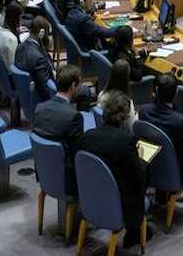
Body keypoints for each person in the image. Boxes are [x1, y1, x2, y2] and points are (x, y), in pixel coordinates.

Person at [74, 90, 148, 249]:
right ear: (125, 117)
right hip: (117, 204)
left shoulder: (87, 136)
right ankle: (134, 233)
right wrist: (143, 161)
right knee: (143, 173)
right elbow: (138, 177)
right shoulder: (126, 141)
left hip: (89, 200)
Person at [138, 74, 183, 192]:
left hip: (150, 163)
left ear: (156, 91)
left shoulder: (144, 110)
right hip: (174, 167)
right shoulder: (180, 120)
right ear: (176, 93)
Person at [32, 65, 86, 192]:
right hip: (66, 179)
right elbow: (77, 154)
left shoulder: (39, 108)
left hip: (43, 172)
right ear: (73, 86)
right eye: (79, 85)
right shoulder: (74, 116)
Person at [65, 0, 134, 54]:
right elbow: (105, 33)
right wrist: (122, 26)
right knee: (125, 34)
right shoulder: (84, 20)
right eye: (90, 0)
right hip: (90, 51)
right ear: (82, 2)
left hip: (82, 44)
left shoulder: (72, 12)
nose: (93, 2)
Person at [15, 15, 58, 102]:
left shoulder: (20, 46)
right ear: (41, 33)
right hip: (42, 100)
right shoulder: (39, 59)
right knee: (83, 91)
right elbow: (46, 91)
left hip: (26, 95)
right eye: (48, 34)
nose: (49, 38)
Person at [0, 1, 24, 69]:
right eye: (21, 17)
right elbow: (14, 67)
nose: (21, 20)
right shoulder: (12, 39)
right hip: (12, 75)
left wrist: (16, 31)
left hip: (2, 70)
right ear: (16, 19)